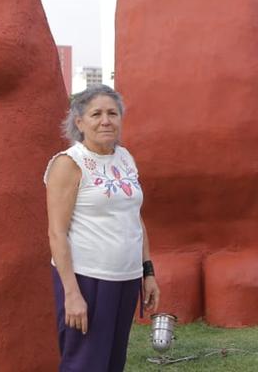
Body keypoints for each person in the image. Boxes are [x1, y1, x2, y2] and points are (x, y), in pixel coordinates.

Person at [45, 85, 159, 372]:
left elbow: (135, 217)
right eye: (96, 114)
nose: (105, 120)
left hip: (126, 278)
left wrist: (148, 272)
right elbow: (56, 233)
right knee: (84, 363)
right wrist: (72, 293)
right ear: (79, 122)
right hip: (88, 280)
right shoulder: (69, 163)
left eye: (112, 113)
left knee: (112, 362)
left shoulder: (125, 158)